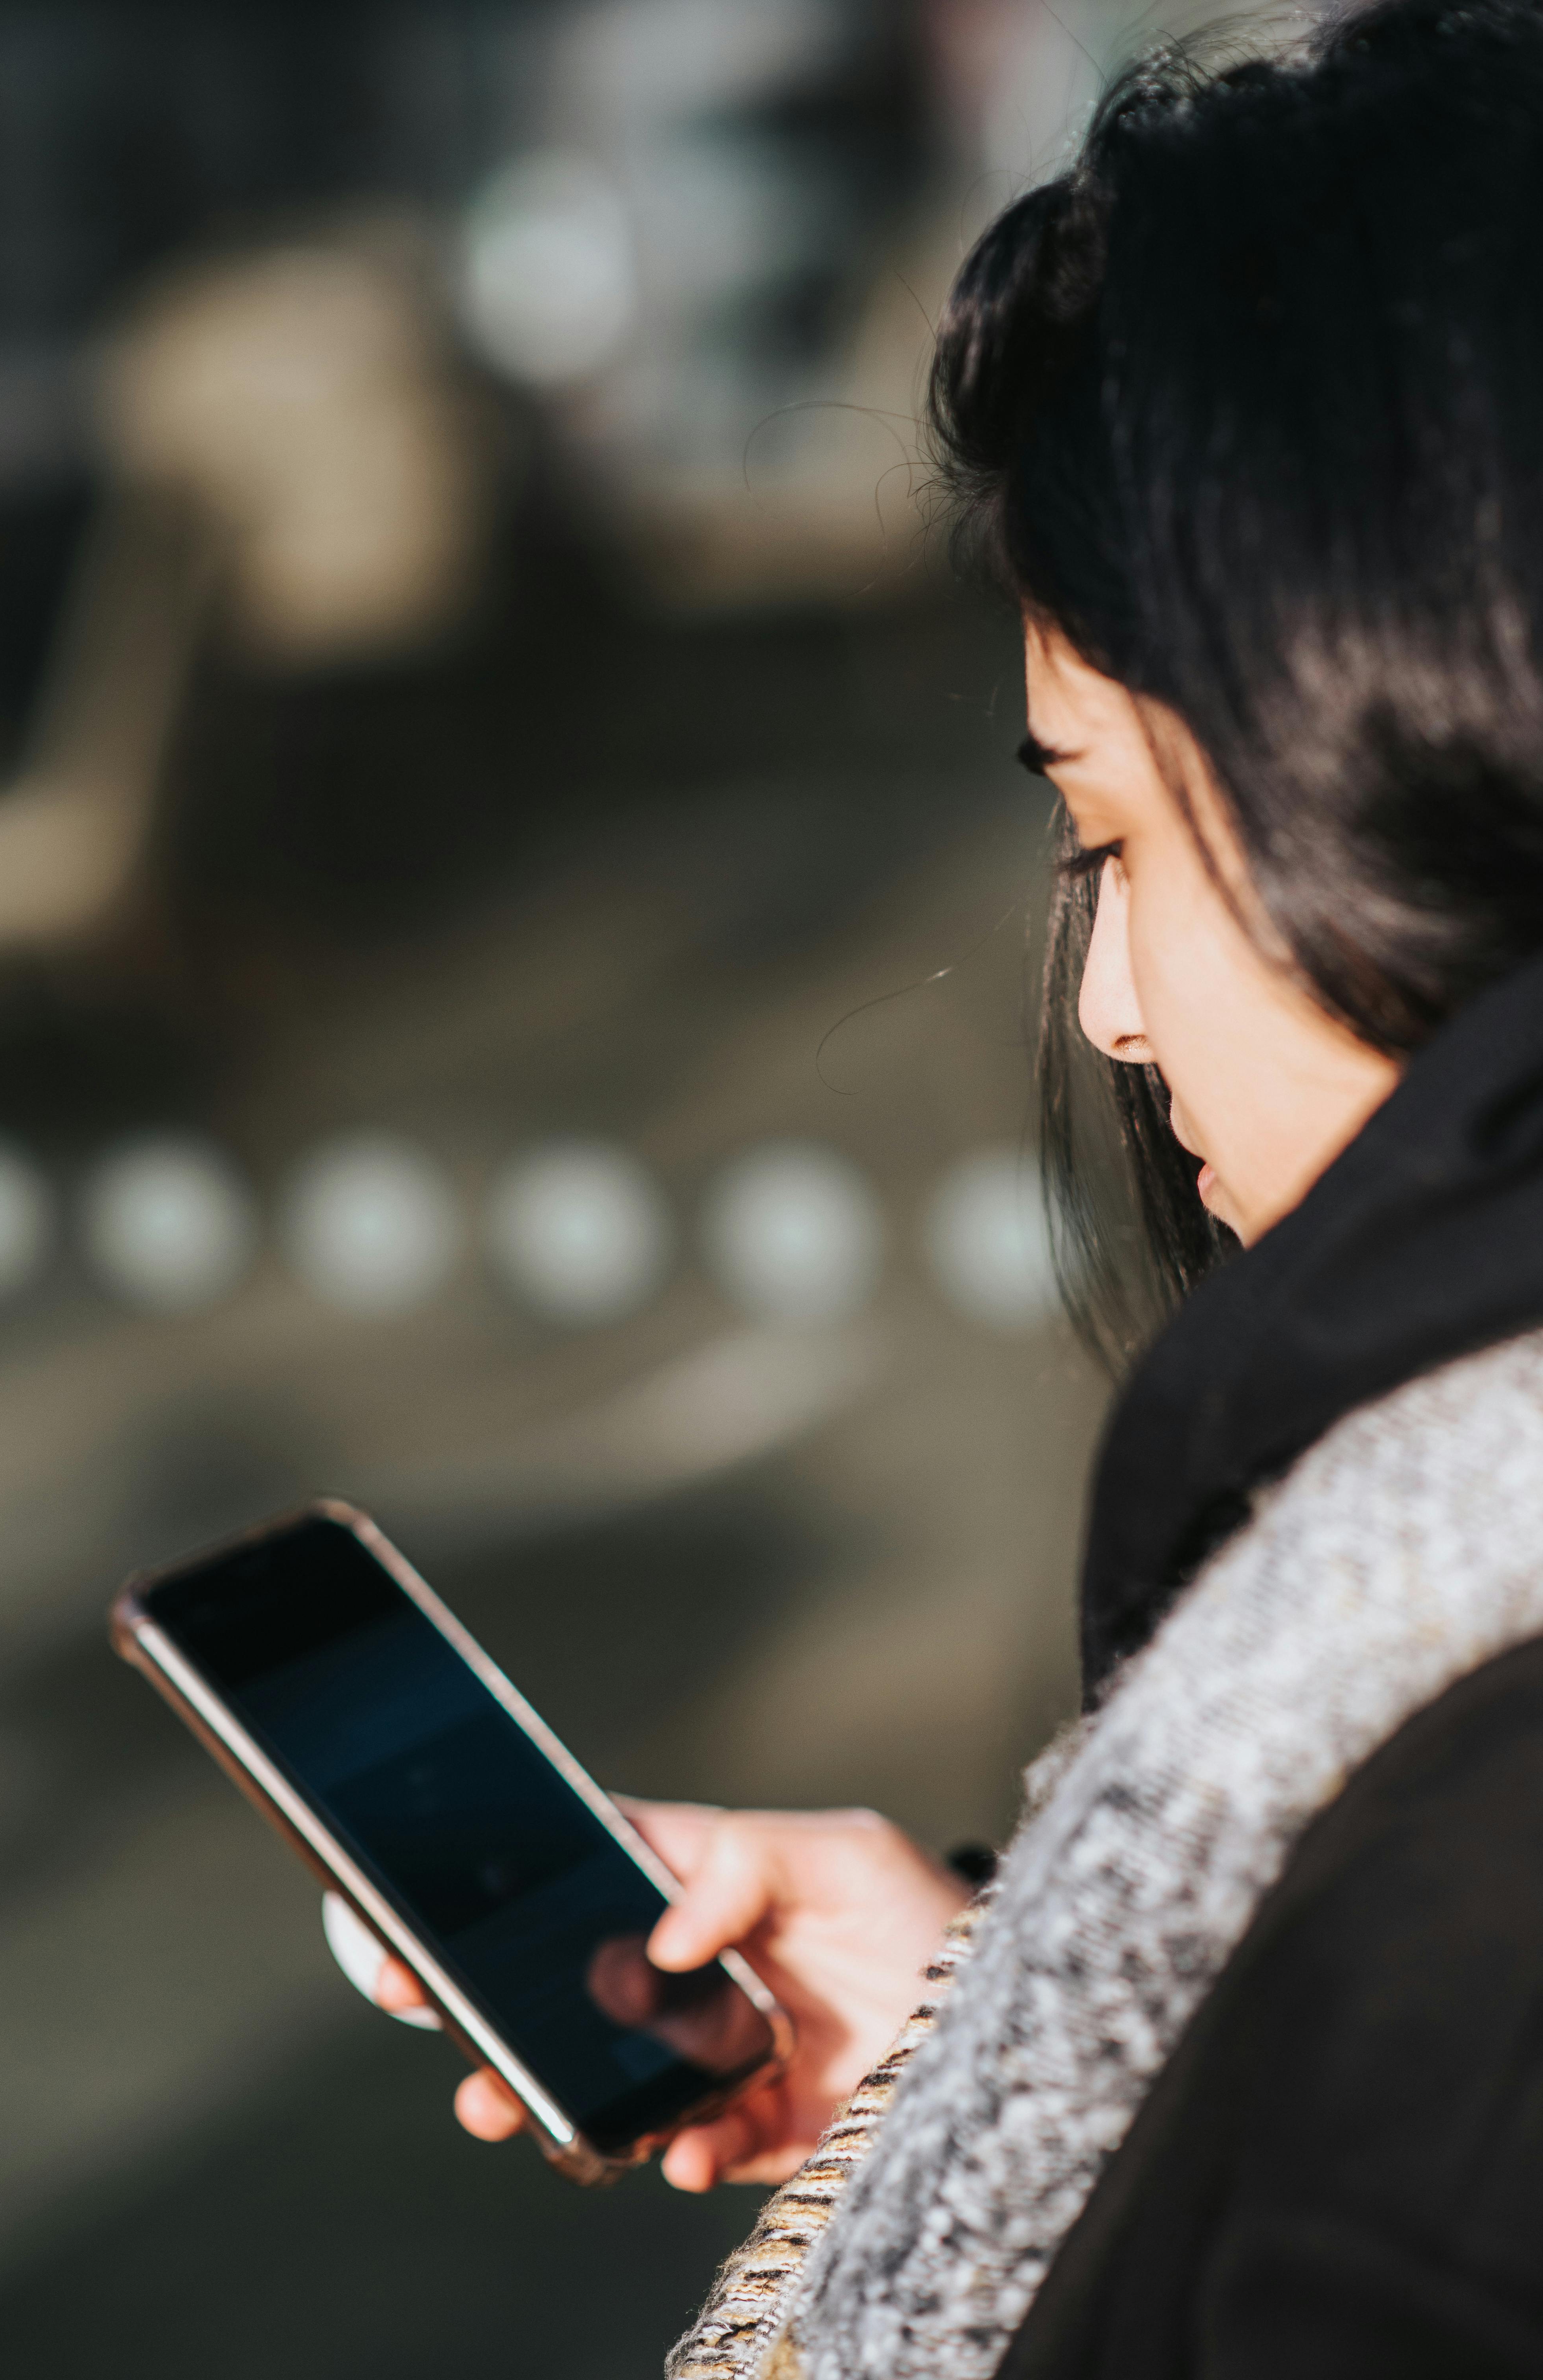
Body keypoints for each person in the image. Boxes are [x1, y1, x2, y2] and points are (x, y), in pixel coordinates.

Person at [370, 1, 1543, 2369]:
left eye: (1117, 830)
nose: (1107, 1009)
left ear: (1412, 751)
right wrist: (1019, 2001)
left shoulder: (1471, 1961)